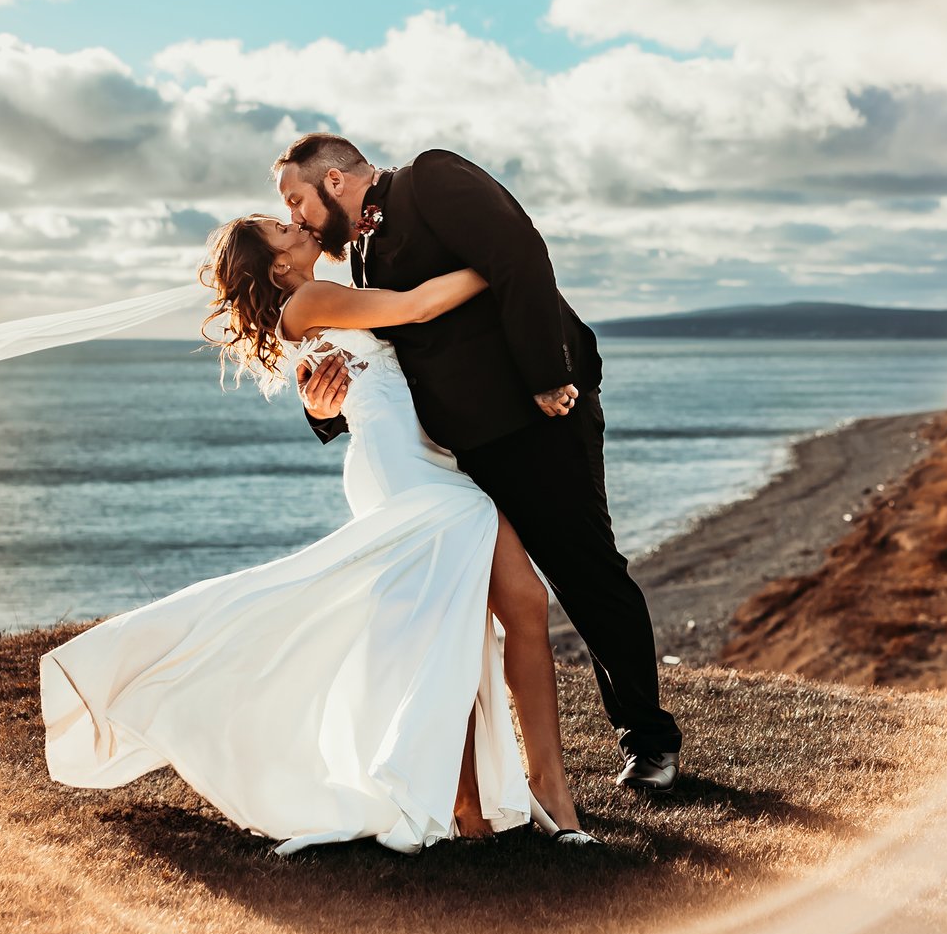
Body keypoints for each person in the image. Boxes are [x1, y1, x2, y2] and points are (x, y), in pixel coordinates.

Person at [38, 214, 597, 853]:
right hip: (404, 473)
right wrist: (507, 258)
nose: (299, 224)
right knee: (496, 612)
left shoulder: (326, 298)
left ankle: (490, 805)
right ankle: (517, 802)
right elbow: (415, 309)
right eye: (283, 227)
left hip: (420, 462)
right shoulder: (309, 300)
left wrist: (320, 405)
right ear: (279, 266)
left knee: (472, 621)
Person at [274, 133, 682, 790]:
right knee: (487, 603)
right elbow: (384, 362)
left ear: (336, 182)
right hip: (457, 455)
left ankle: (650, 742)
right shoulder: (363, 256)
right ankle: (487, 780)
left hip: (539, 419)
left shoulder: (430, 179)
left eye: (298, 199)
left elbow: (517, 252)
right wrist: (324, 412)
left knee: (586, 573)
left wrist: (549, 378)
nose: (297, 217)